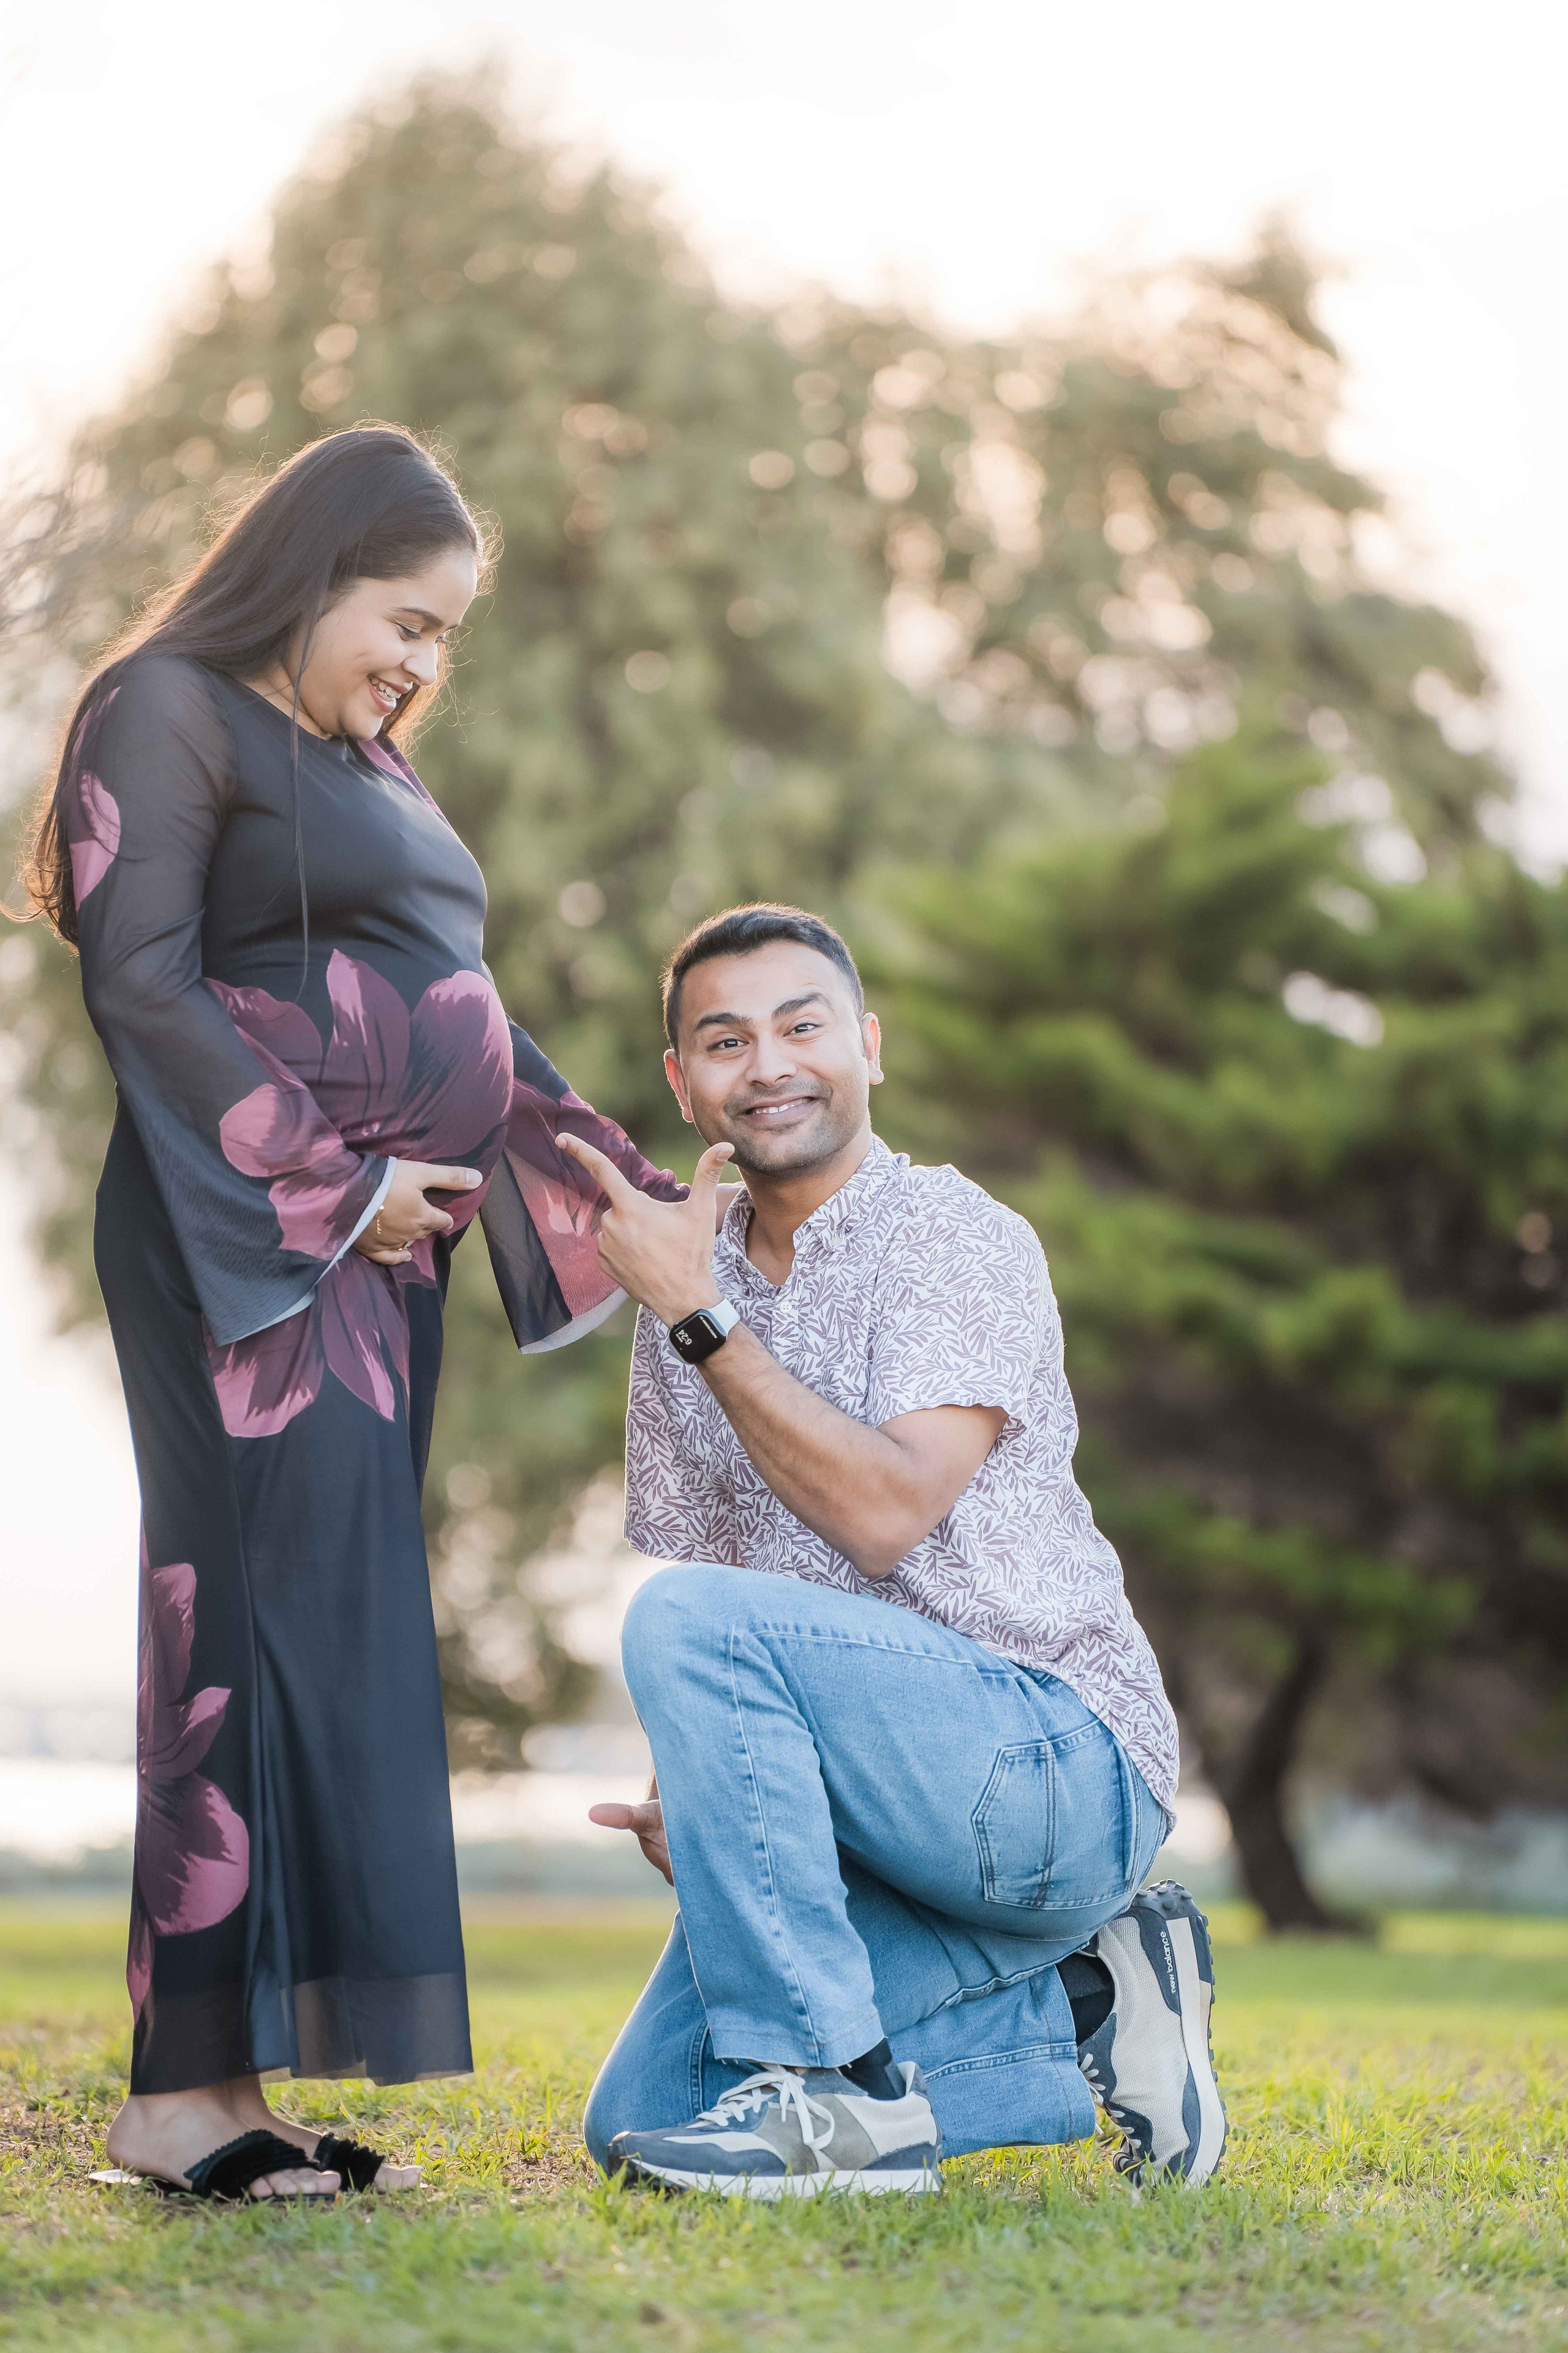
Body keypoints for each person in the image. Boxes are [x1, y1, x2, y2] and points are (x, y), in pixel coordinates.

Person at [15, 426, 686, 2204]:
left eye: (446, 638)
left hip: (380, 1268)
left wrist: (632, 1192)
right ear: (310, 570)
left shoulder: (360, 764)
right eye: (407, 617)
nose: (421, 663)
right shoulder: (163, 705)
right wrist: (331, 1179)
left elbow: (455, 1005)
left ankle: (231, 2085)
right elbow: (138, 978)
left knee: (324, 1638)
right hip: (250, 1242)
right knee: (228, 1626)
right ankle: (174, 2100)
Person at [565, 903, 1227, 2198]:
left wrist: (695, 1312)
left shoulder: (953, 1236)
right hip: (869, 1828)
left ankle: (831, 2101)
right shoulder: (682, 1299)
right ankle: (1092, 1995)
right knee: (648, 2116)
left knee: (678, 1618)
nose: (767, 1064)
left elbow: (882, 1513)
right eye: (724, 1039)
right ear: (682, 1084)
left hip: (1050, 1774)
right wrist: (686, 1792)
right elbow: (717, 1570)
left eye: (801, 1025)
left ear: (867, 1044)